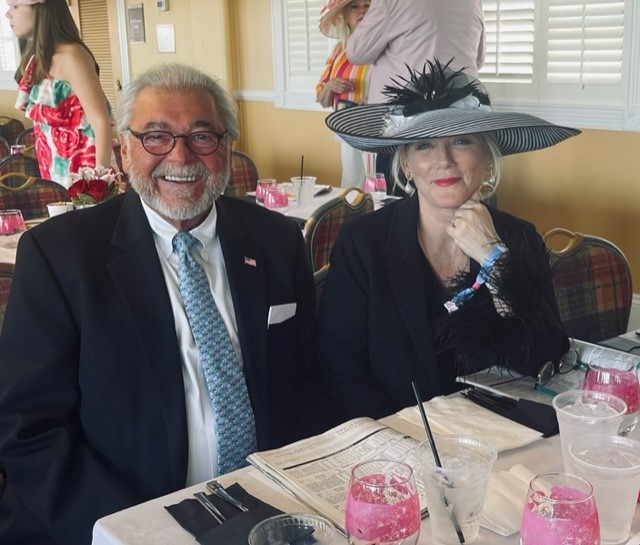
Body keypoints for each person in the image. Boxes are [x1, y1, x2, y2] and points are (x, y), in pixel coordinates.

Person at [0, 62, 335, 545]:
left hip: (262, 510)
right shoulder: (60, 256)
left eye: (202, 137)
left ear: (226, 146)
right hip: (118, 519)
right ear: (124, 147)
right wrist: (142, 530)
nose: (181, 157)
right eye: (156, 136)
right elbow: (27, 430)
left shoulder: (277, 241)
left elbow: (307, 384)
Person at [319, 59, 579, 420]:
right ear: (406, 165)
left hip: (499, 442)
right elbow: (342, 373)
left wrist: (495, 258)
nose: (443, 160)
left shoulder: (519, 238)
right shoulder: (364, 244)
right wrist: (405, 443)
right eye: (424, 146)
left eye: (461, 141)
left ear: (487, 157)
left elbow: (548, 359)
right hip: (395, 447)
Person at [7, 0, 119, 188]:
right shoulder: (39, 58)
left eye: (15, 7)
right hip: (55, 175)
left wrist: (99, 182)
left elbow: (100, 121)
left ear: (41, 9)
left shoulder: (71, 56)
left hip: (85, 179)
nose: (8, 14)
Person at [345, 0, 485, 103]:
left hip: (407, 117)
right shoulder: (474, 2)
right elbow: (478, 60)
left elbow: (356, 52)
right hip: (463, 108)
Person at [316, 0, 371, 187]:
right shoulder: (339, 50)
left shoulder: (388, 47)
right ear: (345, 16)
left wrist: (377, 99)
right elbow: (321, 99)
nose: (361, 11)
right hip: (345, 126)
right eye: (354, 7)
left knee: (376, 184)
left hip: (377, 128)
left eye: (367, 5)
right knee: (352, 185)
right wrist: (330, 85)